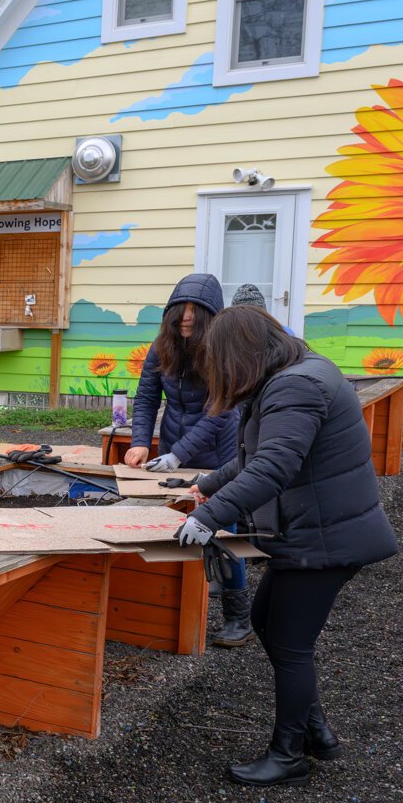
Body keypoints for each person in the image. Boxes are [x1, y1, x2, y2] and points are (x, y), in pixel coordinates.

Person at [174, 306, 397, 787]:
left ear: (239, 354)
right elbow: (256, 457)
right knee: (265, 622)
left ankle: (289, 753)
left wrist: (207, 518)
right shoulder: (294, 376)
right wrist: (208, 485)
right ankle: (316, 732)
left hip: (325, 537)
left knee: (291, 644)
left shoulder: (294, 388)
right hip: (314, 530)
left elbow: (272, 468)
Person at [123, 273, 252, 646]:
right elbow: (146, 398)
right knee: (174, 522)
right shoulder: (160, 348)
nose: (186, 320)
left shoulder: (223, 352)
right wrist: (141, 442)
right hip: (175, 451)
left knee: (223, 530)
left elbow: (220, 411)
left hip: (221, 456)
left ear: (211, 318)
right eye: (181, 313)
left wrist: (178, 454)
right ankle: (177, 603)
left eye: (195, 315)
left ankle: (238, 617)